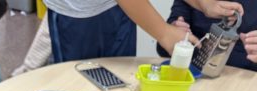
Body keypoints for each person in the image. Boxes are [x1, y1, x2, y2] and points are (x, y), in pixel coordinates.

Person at [42, 0, 244, 63]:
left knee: (117, 83)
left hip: (119, 8)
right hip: (80, 13)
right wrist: (164, 33)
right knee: (81, 88)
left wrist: (204, 3)